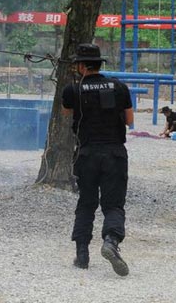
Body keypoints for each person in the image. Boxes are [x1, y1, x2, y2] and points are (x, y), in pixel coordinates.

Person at [61, 43, 133, 276]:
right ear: (99, 64)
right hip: (114, 154)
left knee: (86, 202)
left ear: (81, 65)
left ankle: (82, 254)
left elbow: (66, 112)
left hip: (87, 154)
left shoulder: (73, 89)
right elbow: (130, 121)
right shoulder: (120, 87)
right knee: (113, 204)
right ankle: (111, 241)